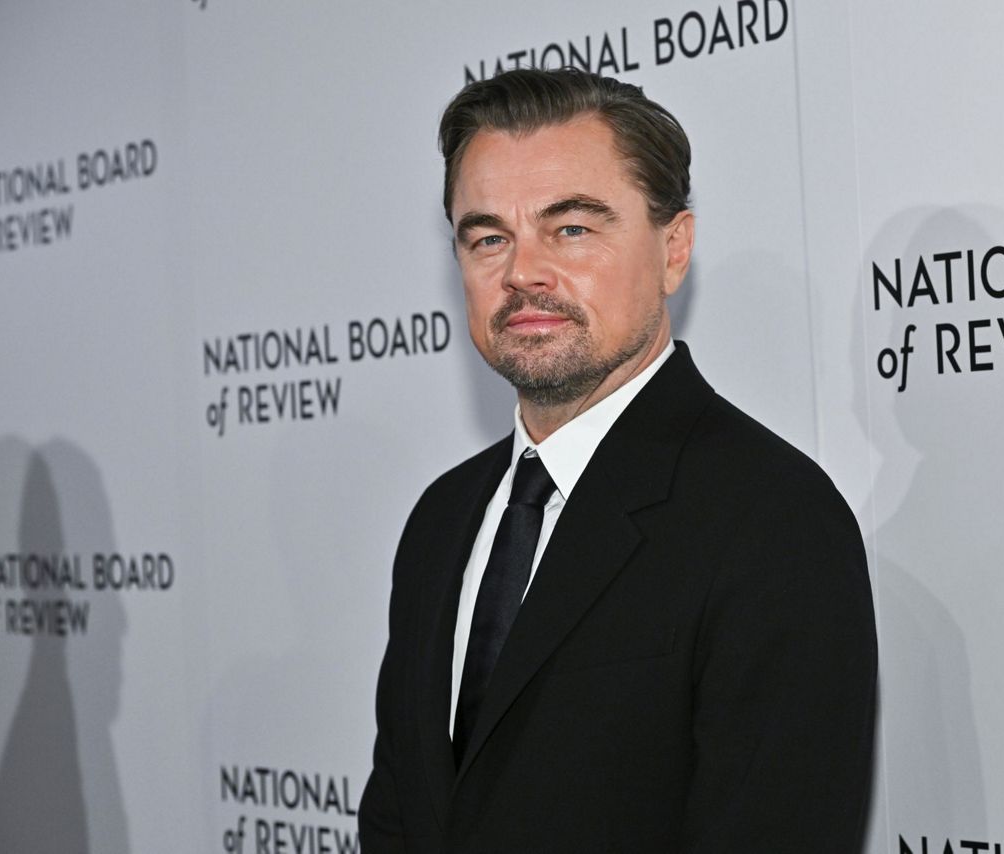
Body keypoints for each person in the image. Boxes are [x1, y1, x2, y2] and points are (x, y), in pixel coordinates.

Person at [359, 67, 876, 853]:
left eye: (571, 228)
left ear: (675, 250)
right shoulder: (441, 519)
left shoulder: (773, 520)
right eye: (488, 237)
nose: (522, 272)